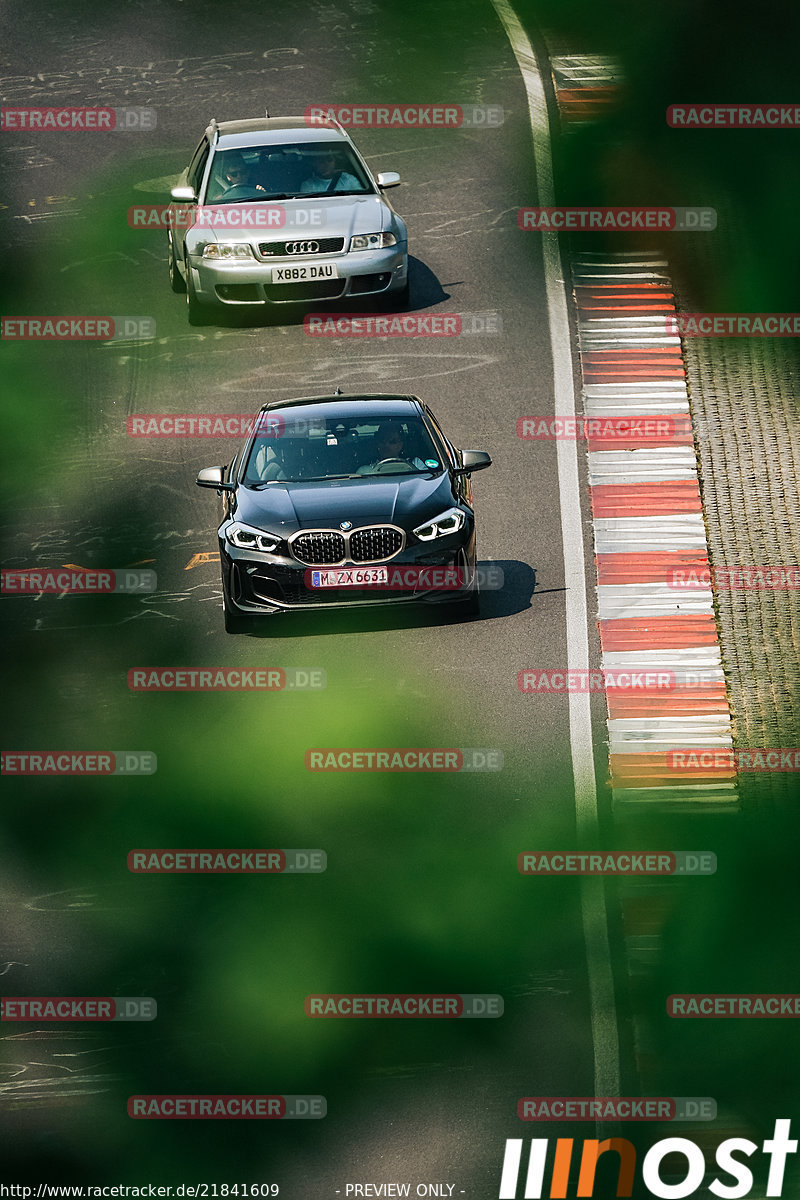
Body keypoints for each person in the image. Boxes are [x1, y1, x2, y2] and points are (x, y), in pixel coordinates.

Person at [357, 422, 427, 474]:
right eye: (382, 440)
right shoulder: (365, 471)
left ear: (400, 444)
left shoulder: (416, 464)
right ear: (377, 443)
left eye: (392, 441)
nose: (386, 445)